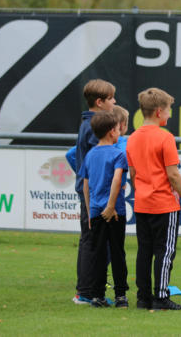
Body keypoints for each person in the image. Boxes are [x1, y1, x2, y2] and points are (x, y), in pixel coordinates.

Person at [126, 88, 181, 310]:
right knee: (164, 252)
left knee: (144, 251)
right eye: (168, 110)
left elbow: (133, 174)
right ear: (158, 111)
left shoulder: (133, 138)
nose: (170, 114)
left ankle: (143, 298)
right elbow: (172, 174)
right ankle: (161, 297)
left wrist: (142, 192)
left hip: (142, 203)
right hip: (164, 204)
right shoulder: (165, 137)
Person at [73, 79, 116, 305]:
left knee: (90, 239)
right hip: (95, 193)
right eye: (110, 99)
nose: (114, 102)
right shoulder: (93, 127)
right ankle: (87, 292)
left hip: (90, 190)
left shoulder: (86, 124)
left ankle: (86, 289)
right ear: (99, 102)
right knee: (93, 241)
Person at [80, 111, 129, 308]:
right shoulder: (118, 154)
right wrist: (110, 206)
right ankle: (120, 296)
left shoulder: (90, 154)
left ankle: (97, 295)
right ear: (111, 132)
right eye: (118, 129)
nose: (120, 132)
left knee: (98, 254)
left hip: (95, 212)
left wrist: (90, 209)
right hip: (114, 211)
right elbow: (117, 179)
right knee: (117, 253)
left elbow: (86, 183)